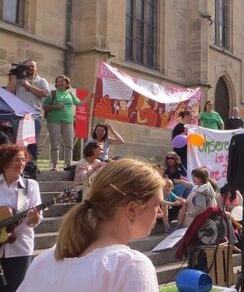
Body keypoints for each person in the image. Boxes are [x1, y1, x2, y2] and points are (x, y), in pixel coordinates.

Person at [17, 159, 163, 292]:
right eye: (157, 205)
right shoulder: (130, 266)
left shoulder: (44, 260)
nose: (160, 213)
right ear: (132, 209)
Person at [0, 145, 41, 292]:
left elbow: (33, 222)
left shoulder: (29, 186)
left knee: (17, 288)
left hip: (19, 248)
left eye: (23, 160)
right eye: (17, 160)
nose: (21, 163)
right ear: (5, 163)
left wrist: (33, 218)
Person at [42, 75, 94, 170]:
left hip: (68, 122)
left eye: (62, 81)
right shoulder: (52, 94)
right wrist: (56, 107)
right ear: (56, 84)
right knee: (55, 144)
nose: (60, 83)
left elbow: (80, 104)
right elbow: (44, 106)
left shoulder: (70, 94)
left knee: (69, 144)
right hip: (54, 121)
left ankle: (68, 165)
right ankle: (54, 166)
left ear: (67, 83)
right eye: (58, 81)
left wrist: (90, 97)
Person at [6, 60, 50, 162]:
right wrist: (14, 76)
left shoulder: (41, 80)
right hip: (18, 115)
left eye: (32, 66)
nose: (30, 67)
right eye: (27, 66)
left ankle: (31, 166)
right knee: (18, 142)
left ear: (36, 68)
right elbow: (9, 93)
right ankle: (18, 164)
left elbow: (45, 93)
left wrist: (28, 85)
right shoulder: (18, 79)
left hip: (34, 115)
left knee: (32, 143)